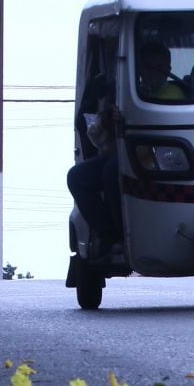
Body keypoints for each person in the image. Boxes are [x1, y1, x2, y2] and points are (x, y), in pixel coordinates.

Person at [66, 55, 121, 257]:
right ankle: (110, 235)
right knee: (78, 176)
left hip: (155, 154)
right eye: (150, 67)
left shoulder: (174, 94)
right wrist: (109, 120)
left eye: (159, 67)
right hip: (123, 153)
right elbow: (94, 134)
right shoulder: (126, 90)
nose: (154, 73)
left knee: (112, 171)